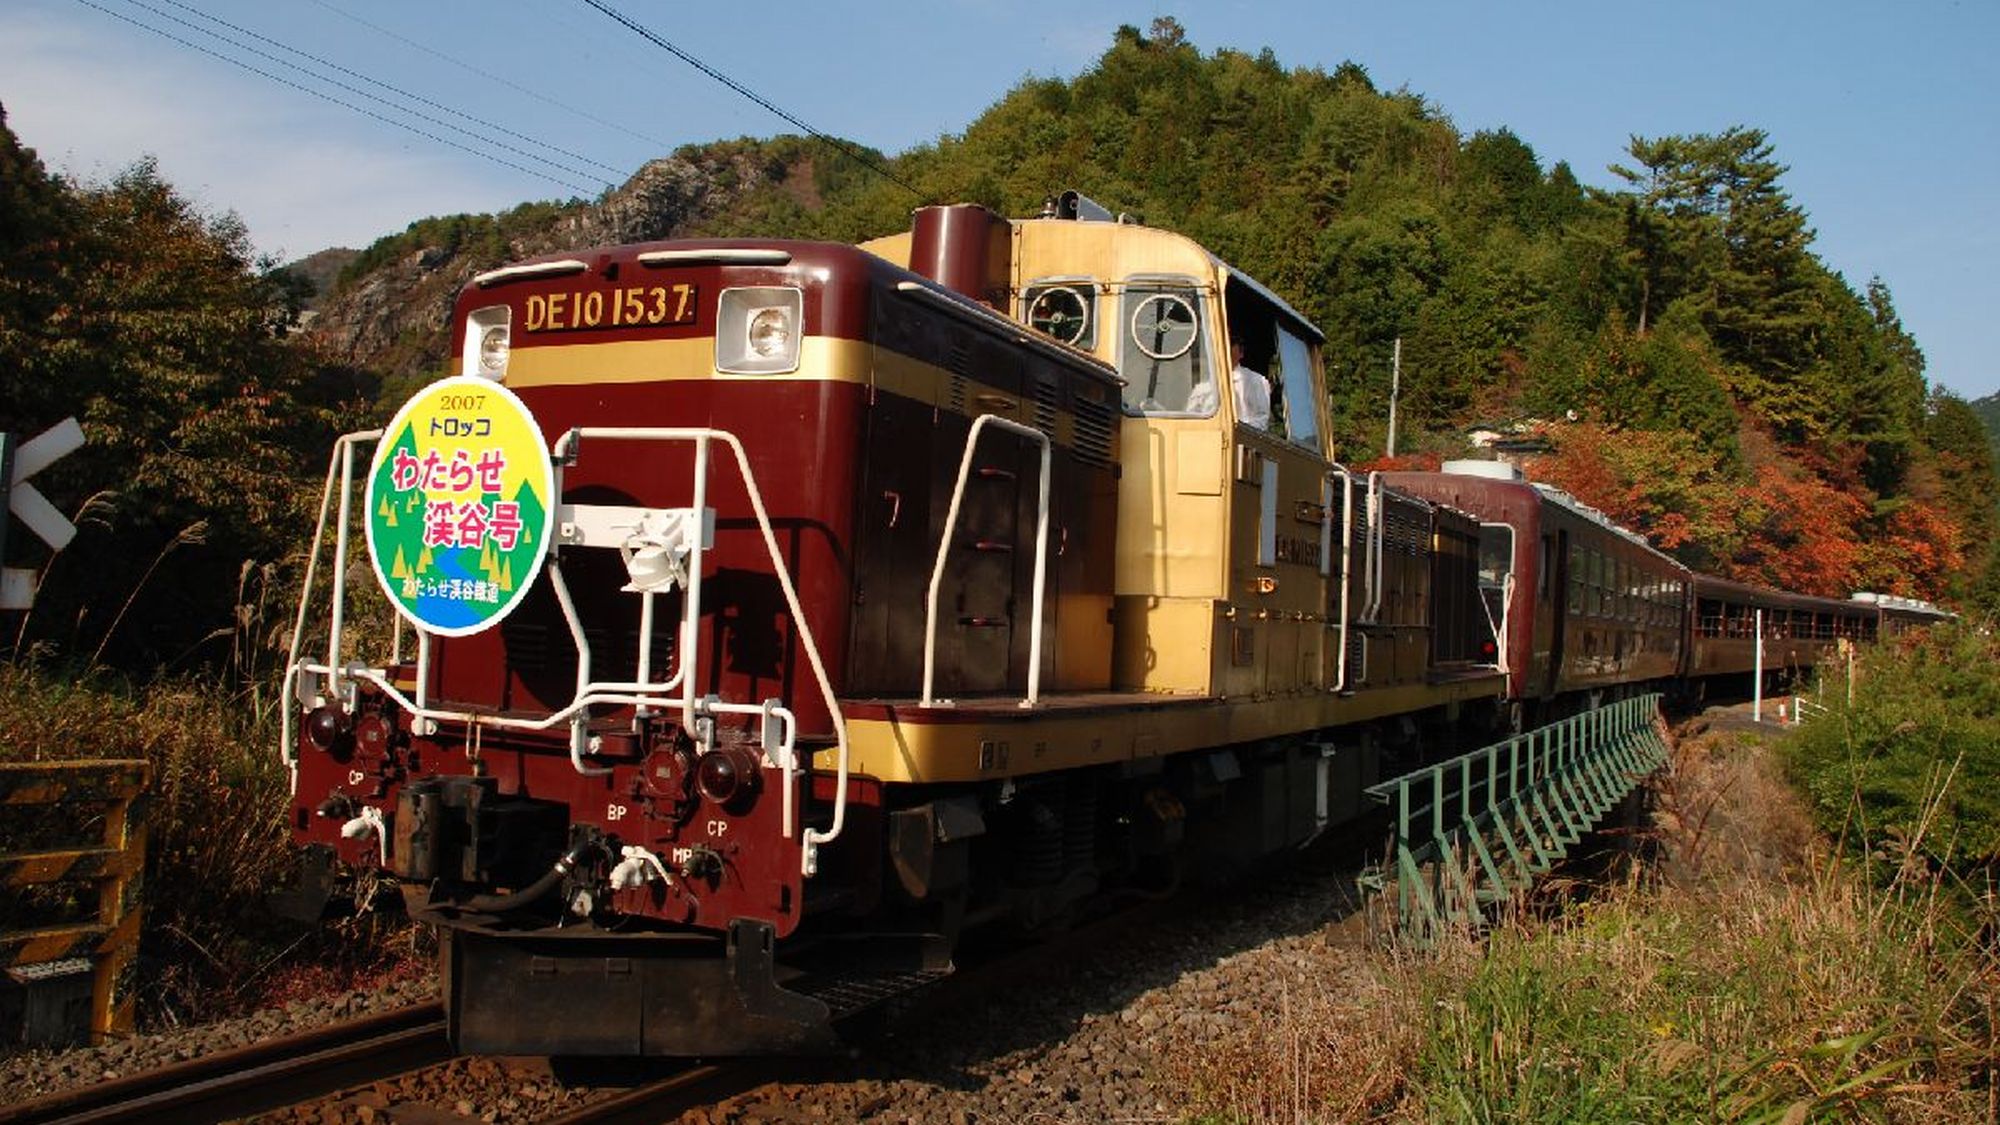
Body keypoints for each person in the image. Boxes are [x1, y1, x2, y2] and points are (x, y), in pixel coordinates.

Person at [1230, 340, 1271, 429]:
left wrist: (1240, 428)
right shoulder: (1205, 382)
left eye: (1231, 344)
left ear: (1241, 354)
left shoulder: (1256, 380)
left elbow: (1262, 420)